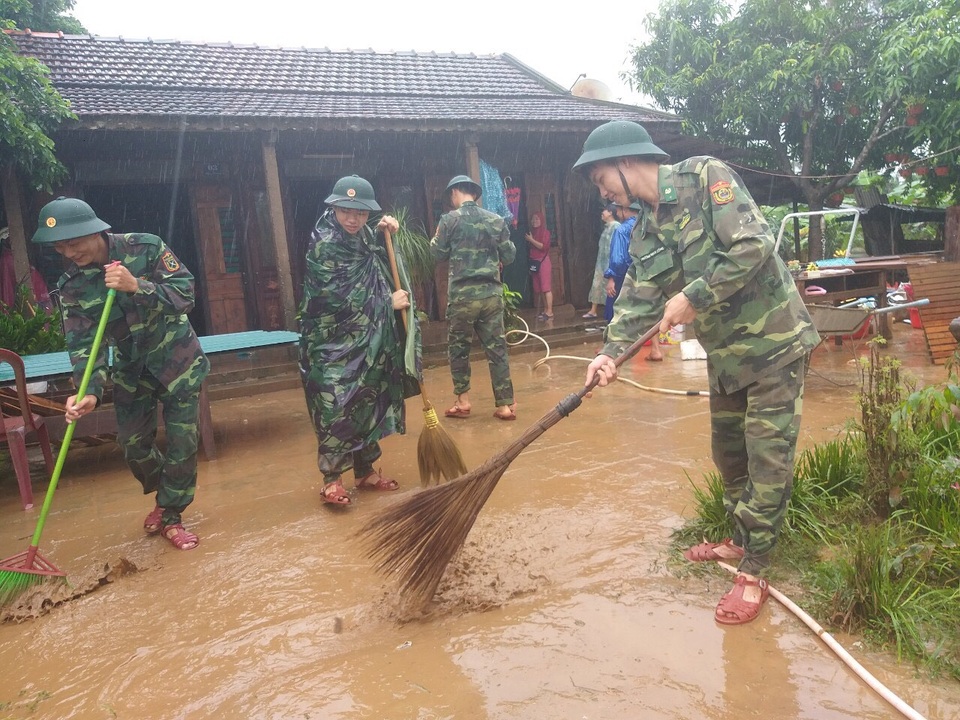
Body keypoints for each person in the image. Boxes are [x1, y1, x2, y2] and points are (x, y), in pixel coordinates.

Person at [575, 120, 820, 625]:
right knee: (728, 453)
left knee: (766, 458)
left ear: (626, 162)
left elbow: (754, 245)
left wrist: (694, 294)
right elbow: (639, 298)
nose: (600, 189)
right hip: (727, 355)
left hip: (774, 343)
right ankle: (739, 538)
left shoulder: (706, 177)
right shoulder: (644, 229)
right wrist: (609, 353)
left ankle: (755, 569)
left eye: (601, 177)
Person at [31, 196, 209, 550]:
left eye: (74, 243)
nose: (69, 253)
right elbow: (84, 345)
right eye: (60, 247)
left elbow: (186, 294)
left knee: (182, 443)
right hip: (131, 369)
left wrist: (136, 286)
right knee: (132, 445)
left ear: (96, 231)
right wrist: (89, 391)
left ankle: (172, 516)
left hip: (178, 362)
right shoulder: (72, 286)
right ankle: (166, 495)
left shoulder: (145, 247)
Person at [298, 174, 420, 506]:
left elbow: (379, 258)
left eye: (362, 213)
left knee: (369, 396)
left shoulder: (364, 233)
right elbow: (333, 298)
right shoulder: (324, 243)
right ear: (334, 208)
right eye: (346, 212)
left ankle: (365, 471)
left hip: (367, 339)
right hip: (330, 342)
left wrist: (387, 230)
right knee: (335, 405)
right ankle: (332, 479)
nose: (354, 219)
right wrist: (385, 303)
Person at [432, 174, 517, 421]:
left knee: (459, 350)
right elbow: (509, 256)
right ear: (474, 193)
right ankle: (504, 405)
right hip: (491, 296)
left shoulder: (449, 220)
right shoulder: (495, 220)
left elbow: (437, 253)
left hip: (462, 298)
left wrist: (437, 236)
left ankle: (463, 401)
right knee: (497, 350)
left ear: (455, 192)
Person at [583, 203, 619, 320]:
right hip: (601, 262)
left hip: (610, 262)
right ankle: (593, 310)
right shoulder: (607, 227)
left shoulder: (616, 226)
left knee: (610, 288)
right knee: (597, 284)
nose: (602, 213)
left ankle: (612, 312)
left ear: (611, 213)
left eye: (604, 211)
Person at [525, 211, 553, 320]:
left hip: (543, 261)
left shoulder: (545, 233)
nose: (534, 221)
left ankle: (550, 311)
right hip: (534, 262)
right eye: (533, 219)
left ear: (541, 220)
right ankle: (545, 310)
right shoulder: (532, 232)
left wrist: (531, 240)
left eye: (537, 219)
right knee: (540, 288)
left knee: (546, 288)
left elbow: (543, 247)